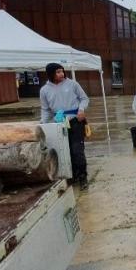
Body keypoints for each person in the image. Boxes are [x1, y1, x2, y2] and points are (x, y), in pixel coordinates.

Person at [39, 62, 90, 190]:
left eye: (62, 71)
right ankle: (72, 176)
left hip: (75, 121)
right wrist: (43, 124)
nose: (61, 74)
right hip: (59, 123)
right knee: (65, 151)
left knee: (77, 150)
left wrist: (81, 110)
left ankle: (83, 176)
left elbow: (84, 98)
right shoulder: (44, 90)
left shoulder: (72, 84)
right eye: (58, 72)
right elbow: (45, 109)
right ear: (51, 74)